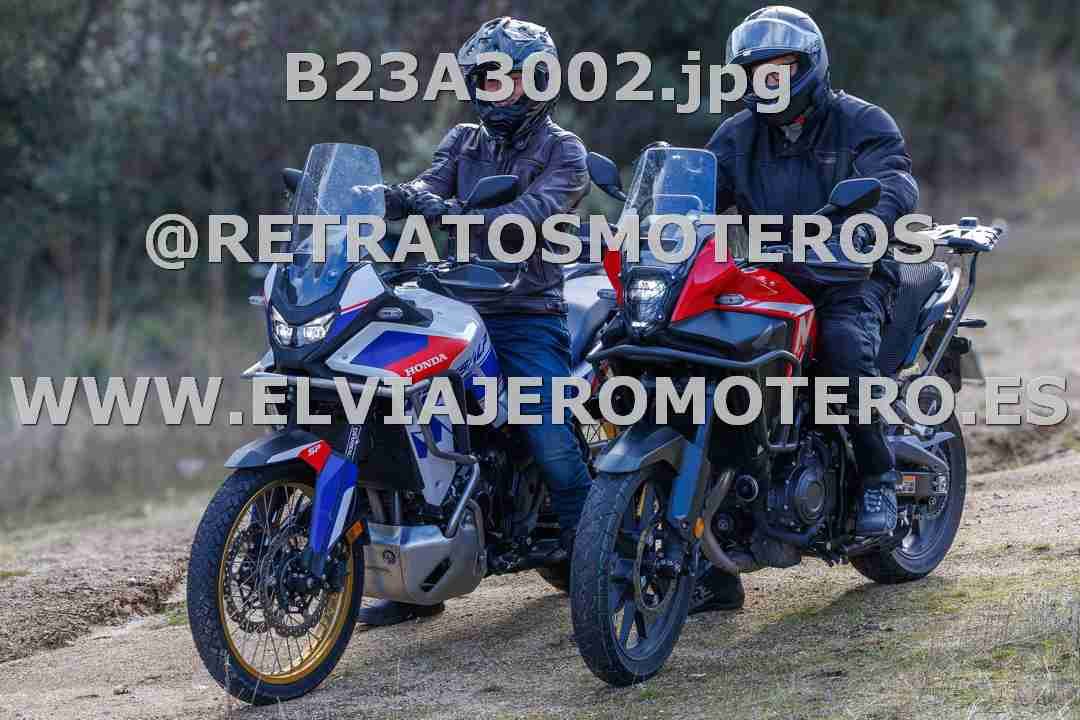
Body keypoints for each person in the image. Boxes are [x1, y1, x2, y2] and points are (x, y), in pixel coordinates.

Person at [357, 17, 594, 627]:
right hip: (454, 305)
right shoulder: (465, 140)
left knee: (547, 434)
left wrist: (454, 213)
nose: (493, 91)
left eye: (504, 78)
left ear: (538, 80)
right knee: (403, 422)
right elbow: (424, 187)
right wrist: (373, 199)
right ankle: (418, 582)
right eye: (483, 80)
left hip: (525, 313)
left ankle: (599, 573)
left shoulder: (564, 152)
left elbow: (530, 215)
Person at [690, 6, 918, 614]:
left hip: (850, 278)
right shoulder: (735, 137)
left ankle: (879, 479)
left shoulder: (861, 122)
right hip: (771, 279)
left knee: (842, 353)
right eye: (756, 70)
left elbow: (895, 180)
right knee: (705, 359)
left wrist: (867, 225)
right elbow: (694, 198)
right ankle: (711, 557)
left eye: (781, 67)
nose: (769, 80)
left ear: (809, 64)